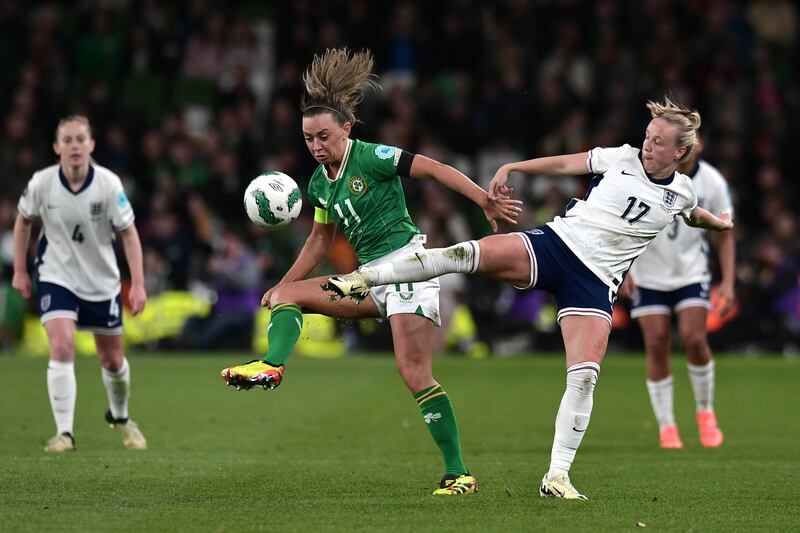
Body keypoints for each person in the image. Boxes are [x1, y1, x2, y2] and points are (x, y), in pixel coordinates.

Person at [325, 98, 733, 500]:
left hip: (594, 284)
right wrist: (513, 166)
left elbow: (692, 214)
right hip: (558, 245)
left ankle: (557, 476)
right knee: (467, 254)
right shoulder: (621, 158)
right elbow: (563, 163)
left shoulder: (681, 192)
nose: (647, 145)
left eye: (658, 142)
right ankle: (366, 277)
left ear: (680, 151)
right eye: (648, 136)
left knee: (585, 375)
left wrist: (718, 224)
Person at [220, 49, 520, 495]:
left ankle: (459, 473)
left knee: (414, 372)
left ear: (346, 127)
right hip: (366, 279)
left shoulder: (373, 156)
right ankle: (272, 365)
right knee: (287, 297)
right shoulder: (320, 183)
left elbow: (433, 170)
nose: (316, 146)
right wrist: (282, 283)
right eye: (308, 139)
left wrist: (482, 200)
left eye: (323, 136)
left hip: (408, 269)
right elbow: (320, 241)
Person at [12, 116, 148, 452]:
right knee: (61, 346)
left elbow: (129, 234)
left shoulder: (108, 184)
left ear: (91, 145)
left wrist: (139, 284)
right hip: (56, 275)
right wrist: (20, 270)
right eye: (68, 140)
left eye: (80, 139)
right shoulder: (42, 183)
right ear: (57, 147)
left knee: (112, 360)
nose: (74, 146)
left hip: (101, 280)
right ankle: (65, 433)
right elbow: (23, 221)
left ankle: (120, 417)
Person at [621, 133, 735, 449]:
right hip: (648, 274)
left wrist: (727, 281)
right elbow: (623, 221)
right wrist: (624, 267)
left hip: (690, 271)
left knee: (694, 338)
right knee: (656, 343)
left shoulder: (711, 182)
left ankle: (704, 411)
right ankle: (667, 426)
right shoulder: (642, 172)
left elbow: (724, 232)